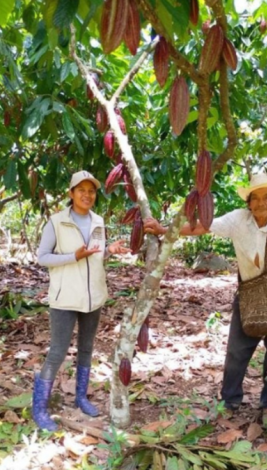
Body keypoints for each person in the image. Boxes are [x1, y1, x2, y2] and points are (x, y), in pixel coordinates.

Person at [143, 173, 267, 425]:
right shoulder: (238, 220)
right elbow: (202, 226)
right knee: (236, 352)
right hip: (250, 297)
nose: (261, 203)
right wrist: (164, 230)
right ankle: (230, 401)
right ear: (249, 203)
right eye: (255, 198)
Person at [34, 171, 131, 431]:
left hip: (93, 296)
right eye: (81, 190)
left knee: (87, 349)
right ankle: (40, 409)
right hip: (65, 298)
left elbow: (95, 255)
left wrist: (109, 250)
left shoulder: (98, 221)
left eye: (91, 191)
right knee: (57, 352)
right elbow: (42, 257)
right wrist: (73, 256)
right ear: (71, 193)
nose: (87, 195)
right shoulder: (57, 222)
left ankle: (80, 398)